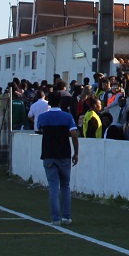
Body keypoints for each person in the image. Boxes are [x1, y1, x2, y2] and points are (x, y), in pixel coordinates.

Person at [36, 91, 79, 225]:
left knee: (53, 186)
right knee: (65, 185)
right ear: (60, 102)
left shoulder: (43, 117)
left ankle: (55, 218)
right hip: (64, 154)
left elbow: (39, 129)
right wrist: (76, 152)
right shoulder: (67, 116)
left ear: (49, 102)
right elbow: (74, 134)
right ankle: (66, 217)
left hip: (48, 154)